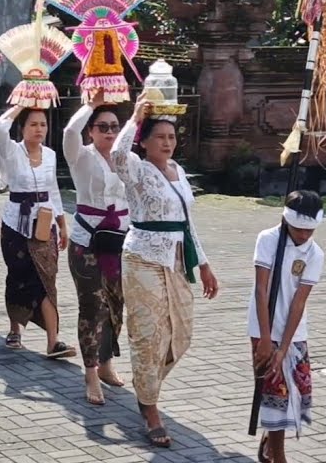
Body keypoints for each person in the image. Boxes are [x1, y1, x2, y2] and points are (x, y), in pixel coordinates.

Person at [112, 94, 219, 448]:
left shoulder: (179, 171)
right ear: (143, 141)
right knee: (148, 334)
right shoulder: (137, 168)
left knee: (181, 332)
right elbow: (117, 156)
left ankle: (146, 383)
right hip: (142, 257)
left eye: (171, 137)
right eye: (159, 137)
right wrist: (134, 118)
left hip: (176, 258)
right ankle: (149, 407)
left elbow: (187, 222)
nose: (167, 143)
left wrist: (204, 263)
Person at [0, 105, 75, 360]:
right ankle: (15, 329)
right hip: (16, 224)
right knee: (18, 276)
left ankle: (53, 341)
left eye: (43, 124)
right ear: (22, 128)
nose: (39, 129)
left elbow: (53, 191)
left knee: (46, 280)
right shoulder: (11, 151)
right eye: (33, 124)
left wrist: (62, 224)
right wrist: (20, 104)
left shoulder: (50, 155)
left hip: (45, 225)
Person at [62, 95, 129, 405]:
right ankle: (90, 372)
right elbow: (69, 132)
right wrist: (92, 104)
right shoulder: (81, 156)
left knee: (116, 305)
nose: (110, 132)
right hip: (87, 242)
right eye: (102, 127)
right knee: (92, 307)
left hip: (119, 241)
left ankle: (106, 363)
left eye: (114, 127)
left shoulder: (125, 157)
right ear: (90, 131)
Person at [249, 191, 326, 463]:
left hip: (294, 331)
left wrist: (283, 347)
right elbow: (261, 290)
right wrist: (266, 339)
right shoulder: (268, 239)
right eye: (298, 229)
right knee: (274, 391)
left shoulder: (315, 253)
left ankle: (270, 439)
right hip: (263, 326)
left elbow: (299, 302)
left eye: (309, 230)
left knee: (297, 390)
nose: (304, 235)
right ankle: (278, 456)